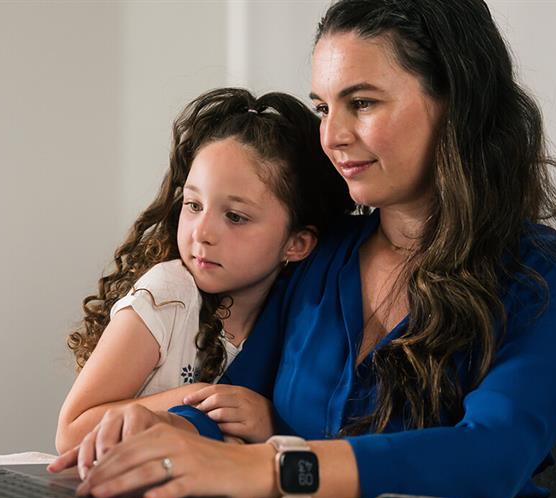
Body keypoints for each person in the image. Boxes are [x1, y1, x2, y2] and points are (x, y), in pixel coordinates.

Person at [50, 0, 556, 498]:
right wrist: (172, 439)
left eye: (364, 103)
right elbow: (233, 405)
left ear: (458, 103)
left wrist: (269, 468)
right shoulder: (321, 257)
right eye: (324, 108)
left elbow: (490, 458)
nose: (331, 136)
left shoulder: (551, 279)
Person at [54, 88, 354, 465]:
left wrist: (264, 422)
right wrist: (198, 398)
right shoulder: (168, 295)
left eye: (235, 217)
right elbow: (71, 432)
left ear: (296, 243)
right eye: (193, 205)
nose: (202, 232)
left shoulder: (292, 320)